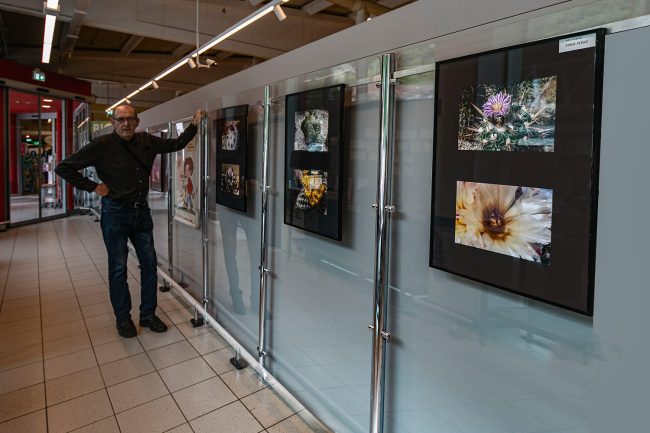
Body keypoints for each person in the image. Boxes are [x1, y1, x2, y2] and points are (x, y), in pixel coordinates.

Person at [55, 104, 206, 338]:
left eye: (129, 119)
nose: (125, 123)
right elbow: (63, 168)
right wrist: (93, 186)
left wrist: (194, 125)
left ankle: (148, 315)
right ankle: (123, 319)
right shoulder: (101, 145)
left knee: (149, 266)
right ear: (113, 122)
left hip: (141, 213)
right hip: (114, 213)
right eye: (120, 119)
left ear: (137, 122)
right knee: (118, 269)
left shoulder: (146, 141)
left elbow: (176, 144)